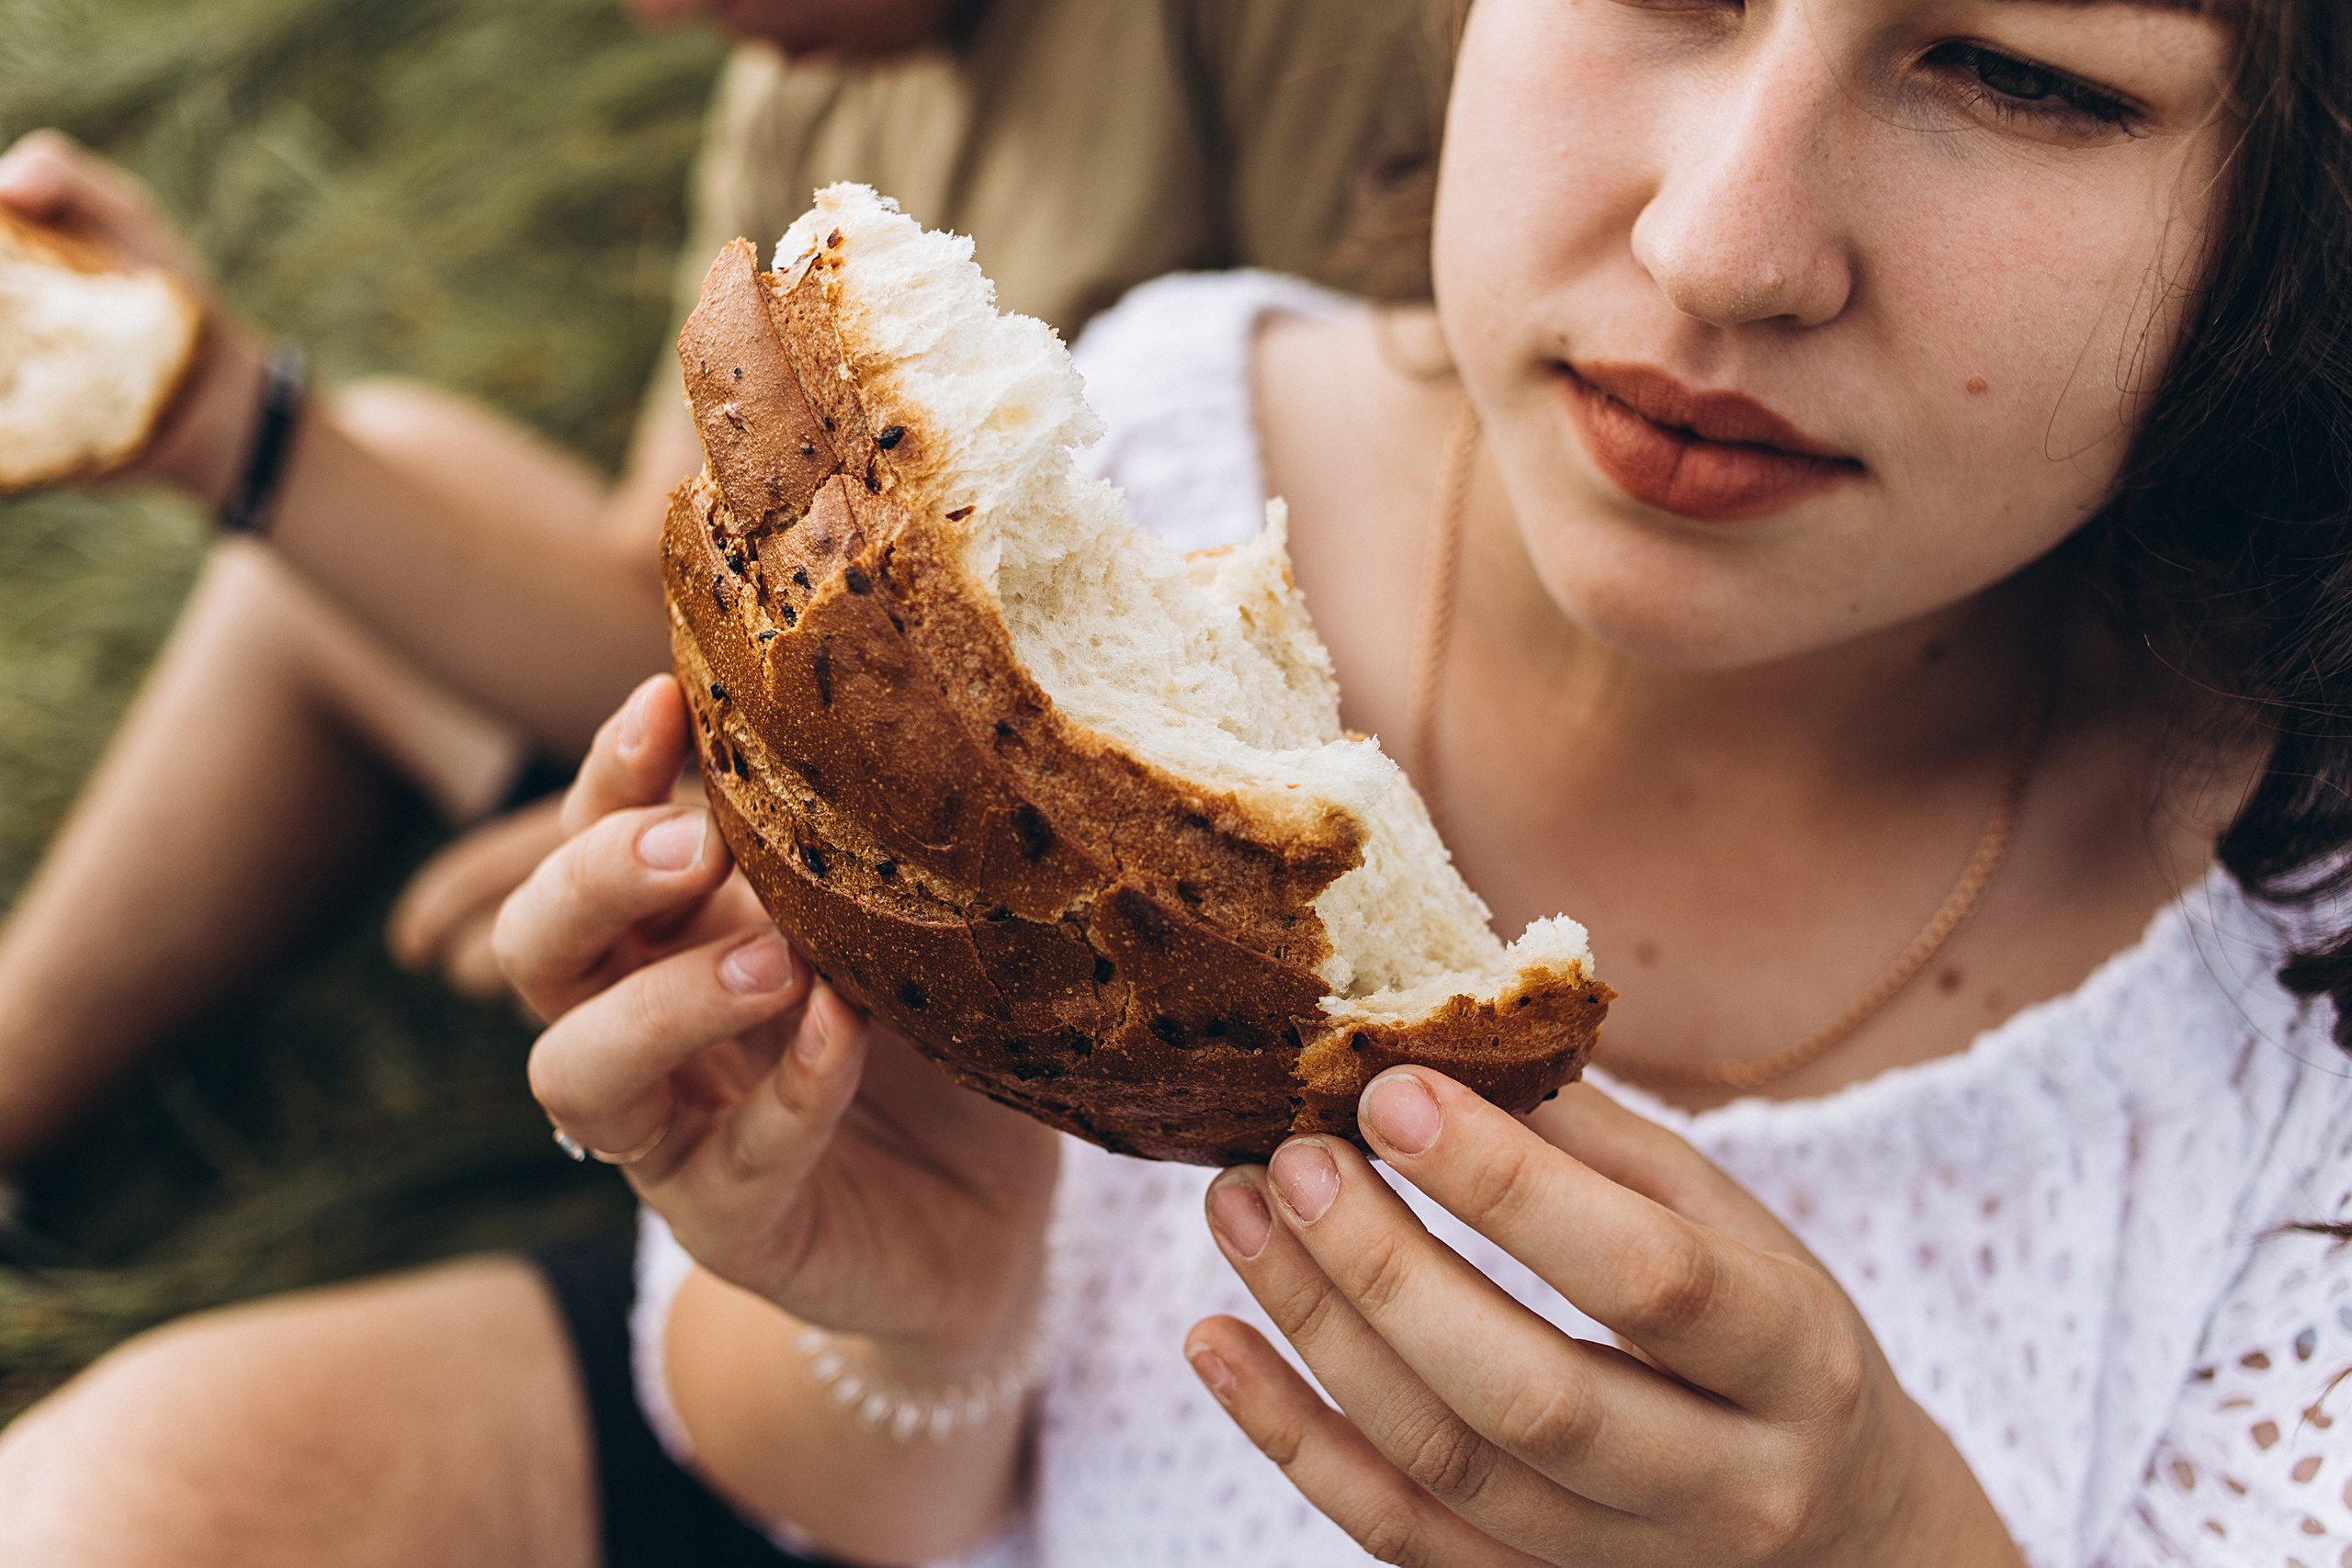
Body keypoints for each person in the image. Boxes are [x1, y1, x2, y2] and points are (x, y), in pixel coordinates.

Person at [6, 0, 2350, 1563]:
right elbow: (827, 1478)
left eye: (2023, 69)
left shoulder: (2280, 1076)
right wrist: (905, 1317)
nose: (1720, 245)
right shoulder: (1152, 431)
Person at [0, 0, 1448, 1177]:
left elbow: (1366, 564)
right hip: (881, 780)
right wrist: (224, 417)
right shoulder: (799, 81)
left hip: (1135, 913)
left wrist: (769, 849)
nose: (659, 17)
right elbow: (664, 589)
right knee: (387, 459)